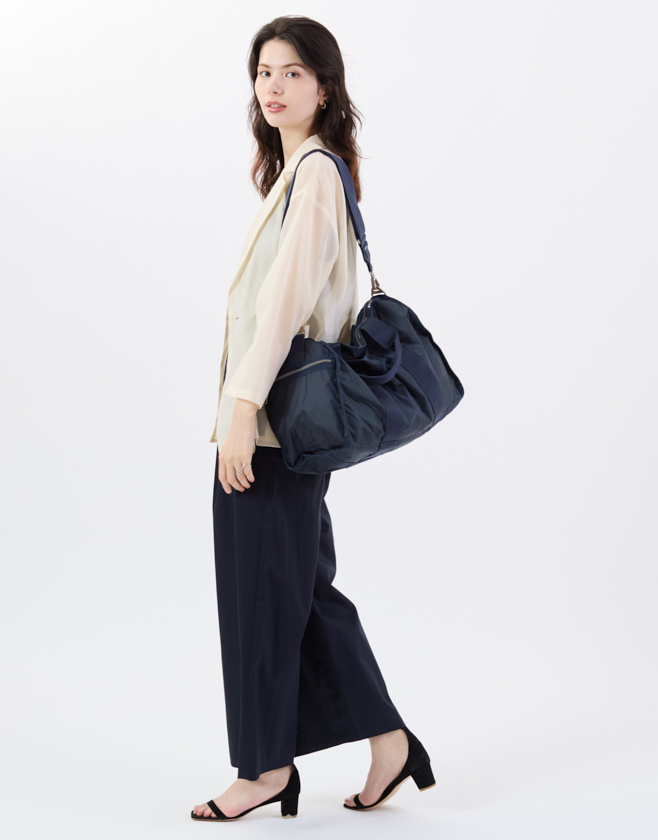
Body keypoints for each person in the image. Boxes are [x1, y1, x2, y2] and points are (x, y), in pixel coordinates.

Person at [192, 16, 435, 822]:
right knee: (299, 590)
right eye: (264, 71)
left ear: (325, 89)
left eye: (293, 72)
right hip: (278, 423)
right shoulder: (297, 174)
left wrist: (240, 411)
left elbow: (285, 305)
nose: (274, 85)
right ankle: (390, 741)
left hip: (271, 426)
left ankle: (264, 769)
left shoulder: (318, 174)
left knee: (261, 596)